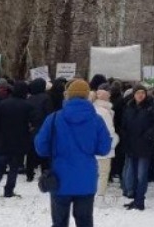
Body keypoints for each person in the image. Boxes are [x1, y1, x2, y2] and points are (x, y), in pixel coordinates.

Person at [35, 79, 111, 227]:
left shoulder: (54, 118)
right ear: (87, 96)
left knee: (59, 222)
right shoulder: (97, 120)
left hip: (59, 179)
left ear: (68, 95)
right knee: (84, 221)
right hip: (86, 178)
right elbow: (104, 148)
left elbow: (41, 147)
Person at [0, 80, 38, 198]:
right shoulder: (28, 106)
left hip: (3, 141)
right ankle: (8, 190)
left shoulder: (3, 104)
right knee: (14, 169)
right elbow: (33, 123)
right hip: (19, 141)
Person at [121, 84, 154, 210]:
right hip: (131, 145)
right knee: (134, 173)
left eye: (142, 92)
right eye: (137, 93)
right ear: (134, 95)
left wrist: (148, 135)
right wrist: (125, 136)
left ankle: (140, 200)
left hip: (144, 146)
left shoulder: (151, 107)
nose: (140, 95)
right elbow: (123, 125)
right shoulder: (129, 107)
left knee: (142, 174)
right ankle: (136, 198)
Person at [93, 85, 119, 197]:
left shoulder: (91, 108)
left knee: (94, 172)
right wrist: (115, 141)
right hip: (104, 146)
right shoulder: (105, 112)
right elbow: (109, 130)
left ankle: (91, 194)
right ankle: (100, 197)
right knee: (103, 173)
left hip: (91, 145)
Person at [26, 77, 54, 182]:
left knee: (31, 152)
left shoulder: (29, 98)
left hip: (32, 127)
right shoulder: (46, 98)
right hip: (43, 127)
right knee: (43, 151)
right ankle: (45, 173)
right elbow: (49, 113)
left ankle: (29, 173)